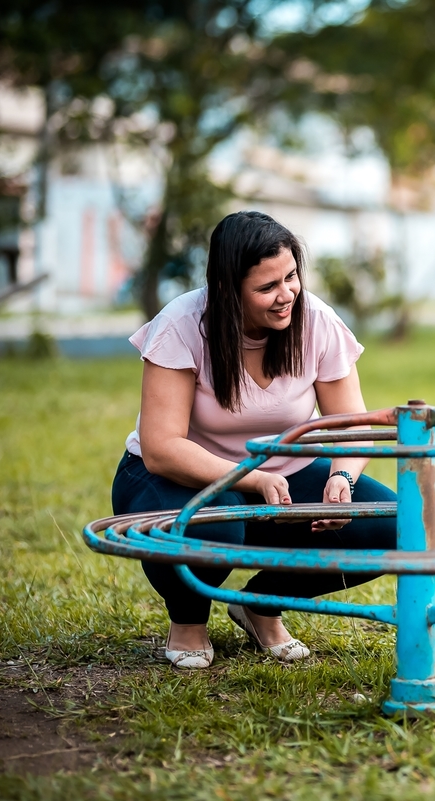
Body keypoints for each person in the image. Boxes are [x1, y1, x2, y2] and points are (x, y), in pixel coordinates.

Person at [111, 211, 397, 669]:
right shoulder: (183, 324)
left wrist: (342, 477)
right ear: (227, 290)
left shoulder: (317, 322)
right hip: (174, 475)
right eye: (267, 288)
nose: (286, 296)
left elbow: (351, 426)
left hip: (284, 473)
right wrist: (253, 478)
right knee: (217, 526)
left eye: (291, 277)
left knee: (389, 526)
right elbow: (163, 447)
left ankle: (260, 604)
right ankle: (188, 619)